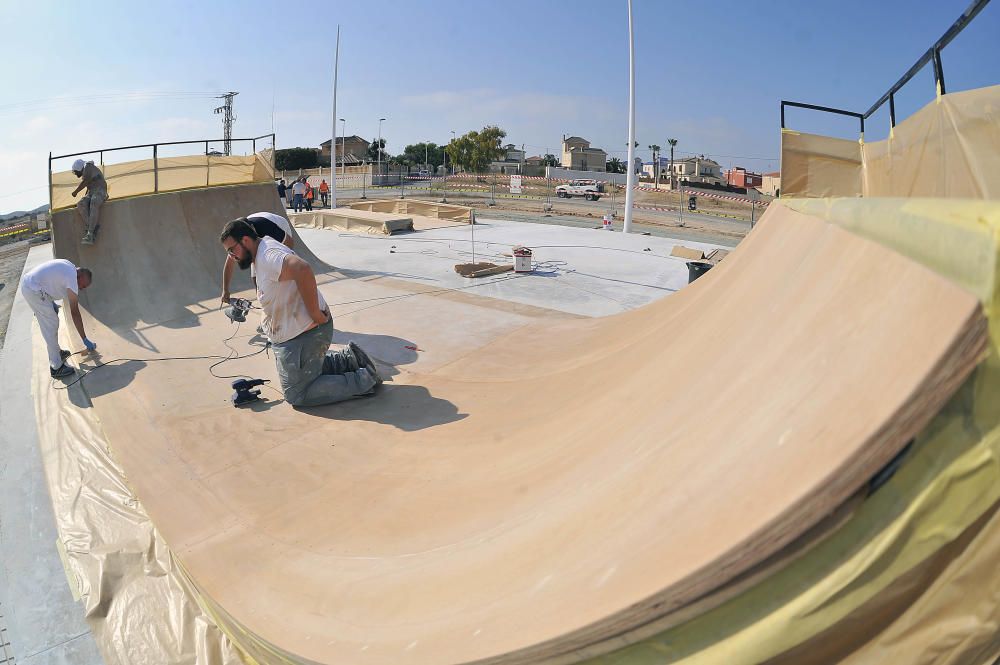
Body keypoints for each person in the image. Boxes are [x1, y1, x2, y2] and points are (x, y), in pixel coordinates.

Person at [219, 219, 381, 406]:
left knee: (298, 394)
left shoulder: (268, 255)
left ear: (245, 240)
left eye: (231, 250)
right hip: (294, 338)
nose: (231, 256)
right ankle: (350, 359)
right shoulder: (257, 254)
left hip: (307, 334)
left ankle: (364, 379)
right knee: (304, 372)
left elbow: (301, 268)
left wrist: (315, 314)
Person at [19, 259, 96, 378]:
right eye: (83, 285)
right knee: (51, 324)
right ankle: (56, 367)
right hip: (33, 290)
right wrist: (84, 339)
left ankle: (57, 352)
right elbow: (75, 312)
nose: (82, 289)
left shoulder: (70, 266)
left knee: (54, 311)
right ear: (79, 276)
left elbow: (51, 280)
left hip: (34, 286)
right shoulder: (72, 279)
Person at [220, 211, 295, 305]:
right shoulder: (237, 238)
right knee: (257, 277)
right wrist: (225, 290)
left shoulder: (266, 227)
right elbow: (229, 265)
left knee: (271, 270)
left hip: (279, 226)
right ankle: (264, 303)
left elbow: (289, 243)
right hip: (255, 233)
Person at [71, 159, 108, 245]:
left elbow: (85, 182)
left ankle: (90, 233)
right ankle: (93, 227)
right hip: (92, 192)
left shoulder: (88, 166)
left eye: (76, 172)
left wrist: (75, 192)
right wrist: (85, 199)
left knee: (94, 201)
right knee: (80, 204)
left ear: (79, 168)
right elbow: (88, 187)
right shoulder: (85, 173)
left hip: (100, 191)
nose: (76, 174)